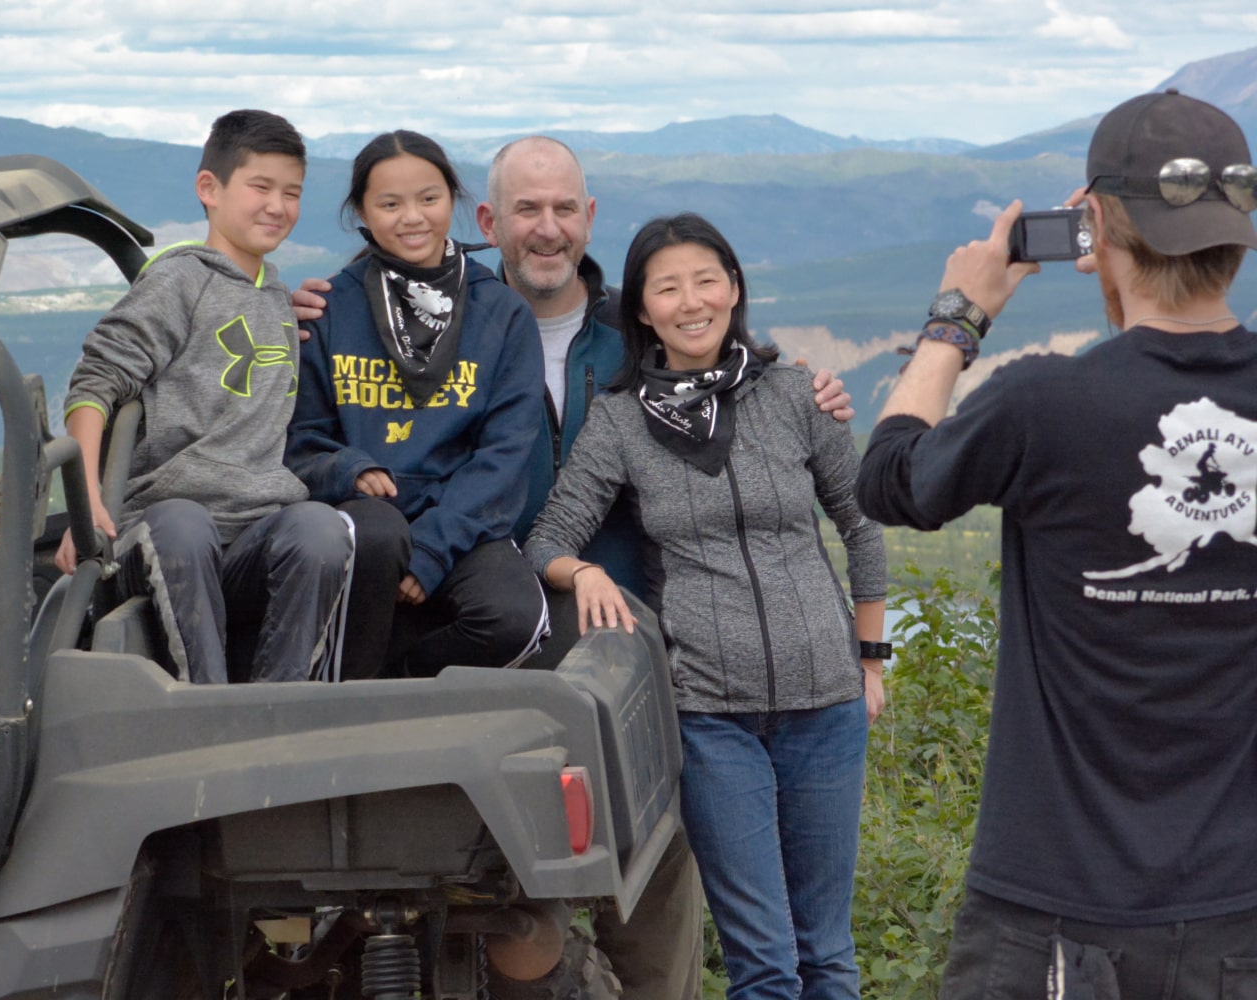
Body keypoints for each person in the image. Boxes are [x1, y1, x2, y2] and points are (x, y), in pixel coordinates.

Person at [293, 135, 854, 997]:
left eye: (564, 210)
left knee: (657, 865)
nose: (547, 229)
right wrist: (316, 316)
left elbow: (745, 386)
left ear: (589, 218)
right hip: (488, 633)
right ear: (488, 221)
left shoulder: (643, 327)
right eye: (525, 210)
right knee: (500, 877)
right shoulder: (447, 317)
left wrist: (815, 395)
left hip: (639, 637)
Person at [857, 90, 1257, 995]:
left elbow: (886, 478)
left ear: (1094, 223)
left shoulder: (1044, 403)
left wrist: (957, 313)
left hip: (1051, 920)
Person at [525, 212, 886, 1000]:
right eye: (667, 287)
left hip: (827, 706)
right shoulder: (621, 420)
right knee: (765, 965)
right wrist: (580, 573)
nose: (691, 301)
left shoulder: (794, 394)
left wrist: (871, 657)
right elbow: (546, 537)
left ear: (733, 289)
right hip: (713, 719)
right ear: (642, 310)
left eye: (706, 280)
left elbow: (861, 524)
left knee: (828, 953)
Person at [57, 108, 350, 685]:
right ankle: (206, 712)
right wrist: (84, 498)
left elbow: (246, 315)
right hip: (162, 531)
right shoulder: (179, 280)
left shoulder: (275, 299)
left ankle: (280, 710)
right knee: (185, 527)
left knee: (320, 528)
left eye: (292, 193)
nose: (277, 206)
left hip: (252, 532)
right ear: (209, 189)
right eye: (260, 187)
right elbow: (96, 382)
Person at [285, 129, 550, 680]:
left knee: (514, 622)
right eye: (389, 203)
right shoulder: (329, 309)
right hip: (365, 519)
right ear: (362, 209)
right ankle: (342, 708)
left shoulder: (500, 313)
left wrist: (433, 546)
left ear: (451, 200)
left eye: (429, 198)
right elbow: (301, 440)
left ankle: (399, 678)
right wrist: (348, 469)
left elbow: (504, 454)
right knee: (376, 536)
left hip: (459, 519)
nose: (413, 217)